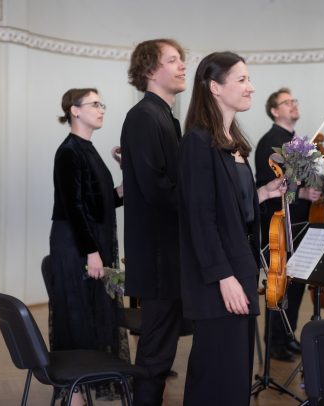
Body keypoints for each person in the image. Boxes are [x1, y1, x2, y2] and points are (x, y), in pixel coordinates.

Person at [178, 51, 286, 405]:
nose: (251, 87)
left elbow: (230, 206)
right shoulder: (197, 142)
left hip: (240, 268)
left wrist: (263, 193)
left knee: (236, 374)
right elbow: (200, 219)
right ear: (215, 87)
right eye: (242, 80)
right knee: (216, 375)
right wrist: (224, 277)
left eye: (249, 79)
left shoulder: (233, 142)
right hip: (219, 278)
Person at [50, 88, 127, 406]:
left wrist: (127, 176)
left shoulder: (88, 149)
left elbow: (102, 202)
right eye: (94, 104)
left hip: (88, 242)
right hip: (76, 245)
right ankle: (75, 393)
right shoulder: (69, 151)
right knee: (77, 313)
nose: (101, 109)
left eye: (101, 104)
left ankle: (82, 386)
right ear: (74, 110)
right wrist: (91, 252)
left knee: (91, 313)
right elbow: (74, 207)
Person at [120, 38, 186, 406]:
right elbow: (157, 188)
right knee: (155, 356)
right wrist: (200, 205)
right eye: (172, 60)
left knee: (160, 351)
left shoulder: (163, 116)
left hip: (167, 252)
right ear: (149, 70)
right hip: (158, 255)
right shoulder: (145, 116)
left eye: (181, 60)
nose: (182, 66)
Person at [254, 88, 321, 361]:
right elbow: (266, 184)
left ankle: (288, 335)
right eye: (286, 102)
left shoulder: (297, 143)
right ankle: (274, 341)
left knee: (296, 285)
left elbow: (302, 180)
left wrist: (318, 188)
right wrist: (301, 192)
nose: (293, 105)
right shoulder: (269, 142)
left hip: (300, 223)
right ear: (274, 111)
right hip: (279, 226)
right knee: (280, 285)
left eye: (294, 100)